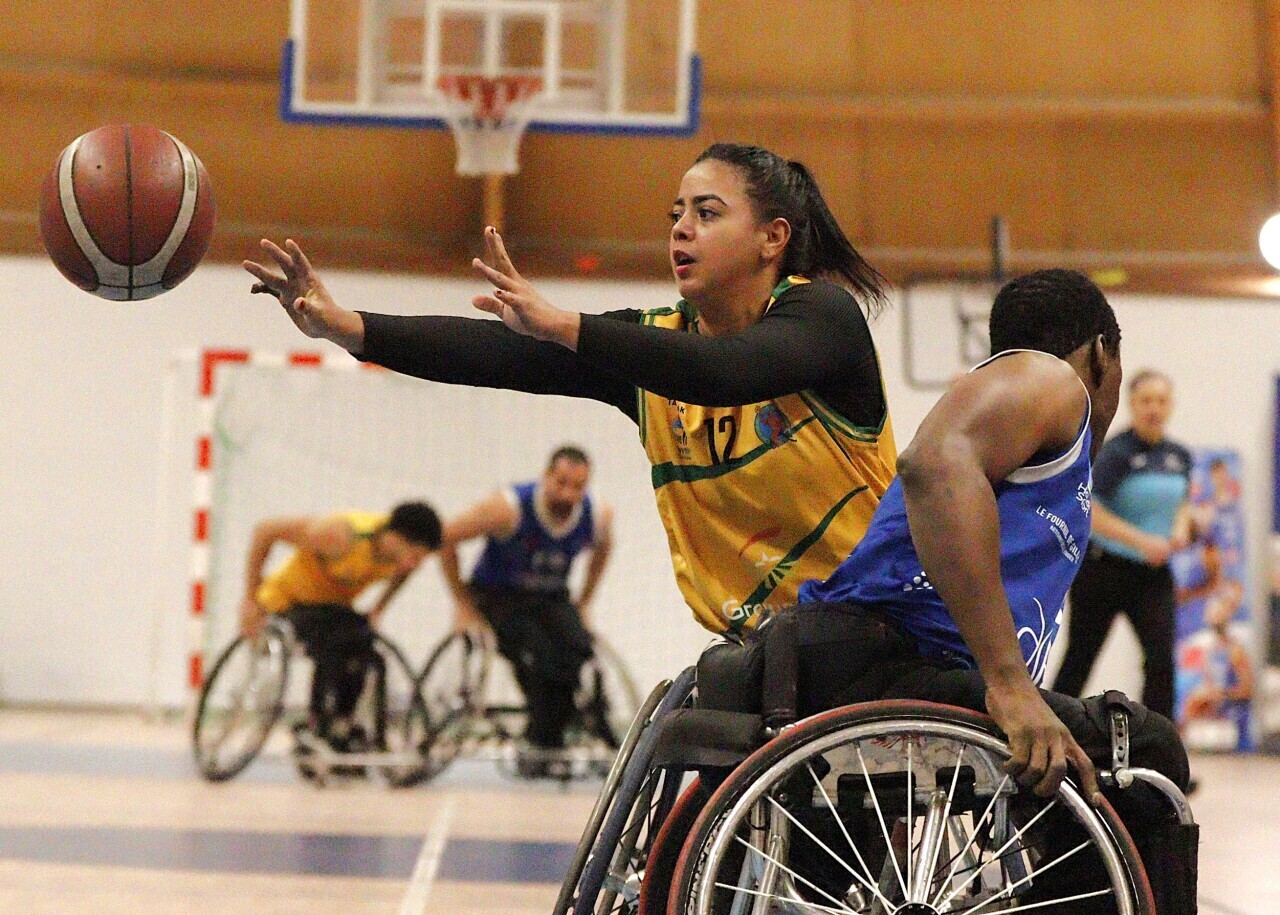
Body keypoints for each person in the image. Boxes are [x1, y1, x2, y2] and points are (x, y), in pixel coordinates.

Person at [244, 143, 897, 638]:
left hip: (880, 617)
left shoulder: (823, 318)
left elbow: (724, 371)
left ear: (772, 237)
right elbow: (497, 355)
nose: (680, 228)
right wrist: (350, 328)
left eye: (706, 213)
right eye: (676, 214)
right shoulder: (655, 343)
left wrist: (565, 325)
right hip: (770, 641)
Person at [789, 270, 1192, 909]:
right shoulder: (1053, 380)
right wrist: (1008, 683)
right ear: (1100, 355)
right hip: (888, 665)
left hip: (859, 663)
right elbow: (932, 462)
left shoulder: (1032, 432)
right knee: (1145, 749)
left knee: (1063, 749)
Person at [442, 446, 613, 761]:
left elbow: (603, 549)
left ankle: (551, 736)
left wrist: (586, 601)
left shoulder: (597, 515)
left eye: (577, 487)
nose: (568, 494)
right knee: (540, 655)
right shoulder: (507, 508)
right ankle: (542, 737)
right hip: (498, 595)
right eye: (561, 483)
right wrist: (463, 604)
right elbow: (447, 537)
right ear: (545, 477)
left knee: (578, 649)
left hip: (550, 595)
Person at [240, 502, 443, 751]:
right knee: (338, 644)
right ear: (395, 537)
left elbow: (403, 574)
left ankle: (343, 725)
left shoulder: (401, 559)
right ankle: (319, 723)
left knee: (372, 656)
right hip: (287, 602)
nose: (414, 565)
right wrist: (250, 599)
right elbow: (266, 530)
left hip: (334, 609)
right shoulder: (341, 535)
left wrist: (379, 608)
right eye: (414, 556)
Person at [1052, 369, 1193, 720]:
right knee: (1081, 656)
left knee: (1161, 660)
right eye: (1146, 401)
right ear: (1132, 404)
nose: (1154, 408)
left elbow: (1183, 502)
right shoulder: (1116, 453)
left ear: (1171, 405)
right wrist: (1143, 541)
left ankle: (1157, 743)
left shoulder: (1178, 456)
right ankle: (1051, 728)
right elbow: (1092, 512)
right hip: (1104, 570)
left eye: (1161, 401)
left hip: (1152, 575)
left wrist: (1180, 528)